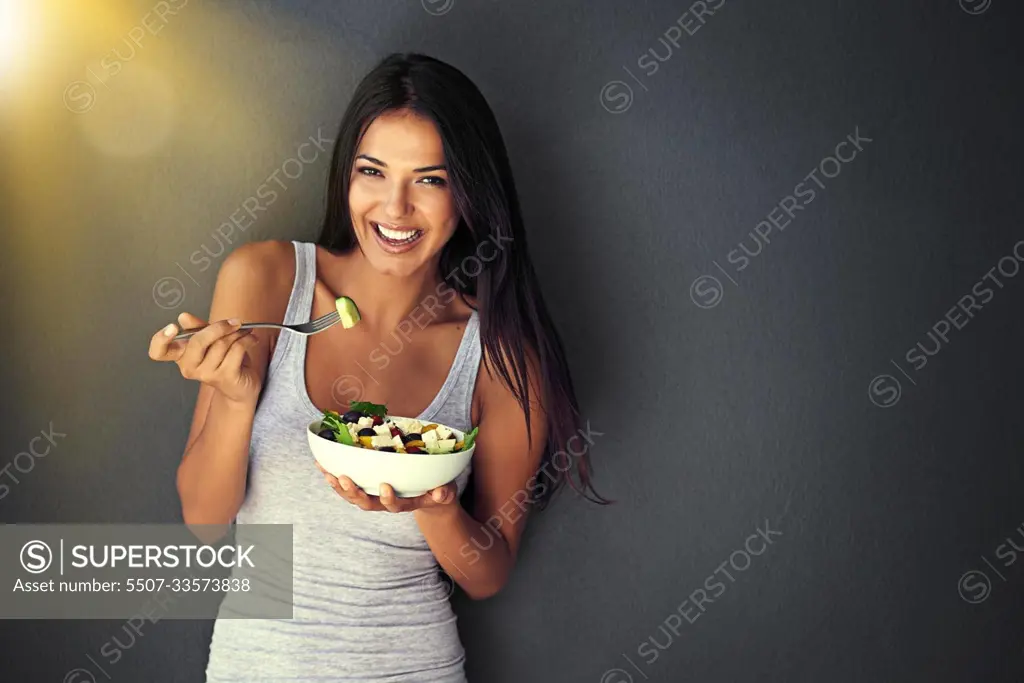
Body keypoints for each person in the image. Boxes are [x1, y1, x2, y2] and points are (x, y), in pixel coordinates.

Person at [147, 52, 608, 682]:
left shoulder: (498, 353)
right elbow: (205, 521)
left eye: (430, 179)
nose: (394, 208)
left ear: (468, 194)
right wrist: (234, 399)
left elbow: (488, 573)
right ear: (347, 176)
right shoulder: (265, 279)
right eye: (373, 171)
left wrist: (437, 505)